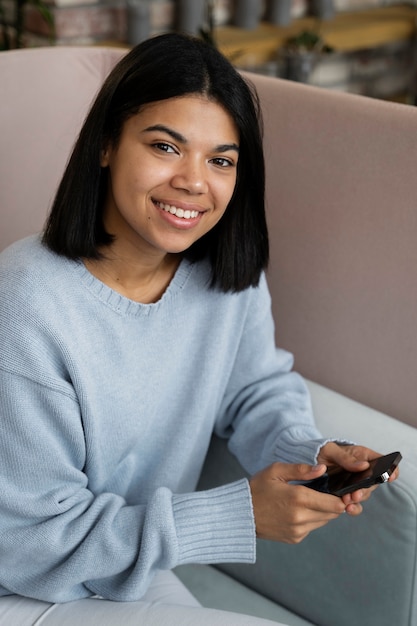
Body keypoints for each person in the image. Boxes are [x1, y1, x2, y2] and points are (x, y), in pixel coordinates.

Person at [0, 33, 398, 625]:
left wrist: (310, 454)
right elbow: (30, 544)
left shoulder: (223, 275)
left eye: (221, 160)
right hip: (25, 586)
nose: (194, 182)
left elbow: (250, 390)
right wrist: (236, 517)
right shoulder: (27, 306)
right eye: (165, 146)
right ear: (106, 144)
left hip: (129, 575)